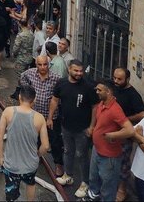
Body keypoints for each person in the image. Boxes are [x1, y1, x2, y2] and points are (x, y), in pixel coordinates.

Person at [48, 60, 98, 198]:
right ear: (69, 69)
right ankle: (68, 175)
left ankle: (85, 182)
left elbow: (95, 107)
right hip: (66, 126)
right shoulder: (61, 83)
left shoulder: (88, 86)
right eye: (76, 71)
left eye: (81, 71)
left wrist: (92, 126)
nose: (79, 73)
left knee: (82, 155)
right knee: (68, 151)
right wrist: (50, 117)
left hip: (83, 129)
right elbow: (54, 100)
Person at [83, 79, 134, 202]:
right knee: (93, 178)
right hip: (97, 149)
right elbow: (96, 112)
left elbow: (130, 130)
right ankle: (93, 196)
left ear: (109, 92)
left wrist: (113, 135)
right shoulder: (102, 103)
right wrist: (92, 127)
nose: (96, 92)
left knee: (108, 186)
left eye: (99, 90)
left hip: (109, 157)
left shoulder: (116, 110)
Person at [0, 85, 50, 202]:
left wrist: (1, 157)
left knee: (11, 192)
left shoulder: (8, 112)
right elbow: (46, 146)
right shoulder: (40, 118)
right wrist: (37, 155)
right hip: (30, 165)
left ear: (19, 97)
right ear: (34, 99)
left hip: (11, 165)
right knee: (31, 184)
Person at [19, 56, 63, 177]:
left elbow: (59, 96)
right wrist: (26, 90)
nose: (43, 67)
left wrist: (51, 116)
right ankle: (34, 158)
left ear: (48, 64)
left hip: (51, 117)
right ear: (36, 65)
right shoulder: (30, 73)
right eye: (40, 65)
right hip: (35, 115)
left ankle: (58, 164)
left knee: (55, 142)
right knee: (33, 138)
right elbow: (22, 77)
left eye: (45, 64)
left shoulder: (56, 78)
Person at [112, 67, 144, 201]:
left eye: (119, 79)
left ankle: (122, 189)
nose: (116, 81)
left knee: (123, 163)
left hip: (124, 135)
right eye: (114, 77)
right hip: (110, 131)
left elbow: (143, 114)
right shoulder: (113, 87)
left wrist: (124, 119)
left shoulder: (133, 94)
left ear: (127, 79)